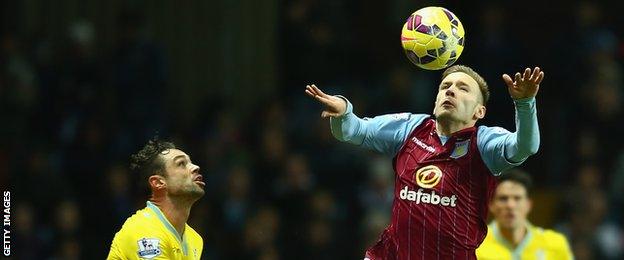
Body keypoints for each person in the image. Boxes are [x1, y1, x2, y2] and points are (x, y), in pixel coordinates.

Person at [305, 65, 543, 259]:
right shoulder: (411, 128)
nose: (451, 91)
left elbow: (525, 147)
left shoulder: (484, 143)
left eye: (463, 89)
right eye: (445, 87)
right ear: (436, 100)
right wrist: (344, 111)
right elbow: (353, 130)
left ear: (479, 112)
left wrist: (525, 104)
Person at [107, 138, 205, 259]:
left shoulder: (194, 239)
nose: (195, 167)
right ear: (158, 182)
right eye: (181, 164)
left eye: (190, 162)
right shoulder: (144, 230)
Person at [476, 169, 573, 259]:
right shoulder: (475, 244)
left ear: (528, 205)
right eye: (503, 198)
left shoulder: (555, 244)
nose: (511, 205)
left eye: (517, 198)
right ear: (491, 204)